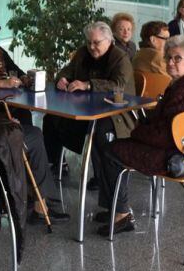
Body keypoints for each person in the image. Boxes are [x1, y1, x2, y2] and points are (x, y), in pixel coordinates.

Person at [94, 36, 184, 236]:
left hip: (174, 157)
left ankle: (122, 214)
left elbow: (165, 136)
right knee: (114, 143)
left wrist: (137, 130)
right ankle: (114, 207)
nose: (170, 62)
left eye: (177, 58)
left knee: (110, 149)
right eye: (168, 57)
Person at [0, 47, 69, 224]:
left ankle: (35, 199)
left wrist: (5, 121)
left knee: (27, 128)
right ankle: (40, 205)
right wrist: (5, 124)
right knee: (35, 136)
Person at [42, 22, 135, 189]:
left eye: (96, 42)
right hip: (84, 107)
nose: (91, 46)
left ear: (109, 41)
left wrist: (88, 85)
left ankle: (102, 177)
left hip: (115, 112)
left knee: (99, 129)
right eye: (89, 42)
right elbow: (66, 70)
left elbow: (118, 84)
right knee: (51, 119)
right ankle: (57, 164)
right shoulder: (83, 53)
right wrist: (61, 80)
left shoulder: (120, 57)